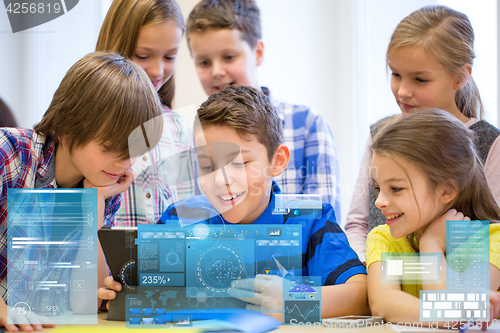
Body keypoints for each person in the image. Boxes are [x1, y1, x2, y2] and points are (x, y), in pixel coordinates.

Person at [99, 86, 369, 319]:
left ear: (277, 161)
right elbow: (138, 289)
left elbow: (361, 295)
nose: (221, 180)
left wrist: (295, 299)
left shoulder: (311, 219)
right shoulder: (179, 219)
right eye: (207, 165)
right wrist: (120, 293)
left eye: (239, 163)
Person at [0, 52, 163, 332]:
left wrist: (94, 207)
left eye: (135, 152)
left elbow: (85, 303)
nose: (126, 164)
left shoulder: (103, 184)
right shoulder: (12, 153)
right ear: (65, 129)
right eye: (111, 148)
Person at [345, 5, 500, 263]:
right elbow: (357, 224)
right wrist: (369, 273)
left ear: (460, 77)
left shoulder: (490, 143)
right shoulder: (380, 135)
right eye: (395, 74)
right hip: (381, 281)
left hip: (455, 284)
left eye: (420, 80)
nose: (402, 91)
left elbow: (493, 231)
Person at [184, 0, 342, 222]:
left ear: (257, 53)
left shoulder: (307, 125)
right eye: (204, 62)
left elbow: (324, 219)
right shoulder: (194, 135)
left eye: (229, 57)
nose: (217, 71)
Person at [366, 109, 500, 326]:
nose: (379, 201)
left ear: (446, 191)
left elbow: (454, 305)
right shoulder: (384, 238)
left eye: (396, 188)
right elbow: (383, 303)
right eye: (378, 188)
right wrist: (458, 312)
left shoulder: (492, 240)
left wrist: (431, 244)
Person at [96, 0, 198, 226]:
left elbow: (190, 218)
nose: (157, 71)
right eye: (143, 56)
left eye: (170, 57)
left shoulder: (181, 130)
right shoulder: (88, 124)